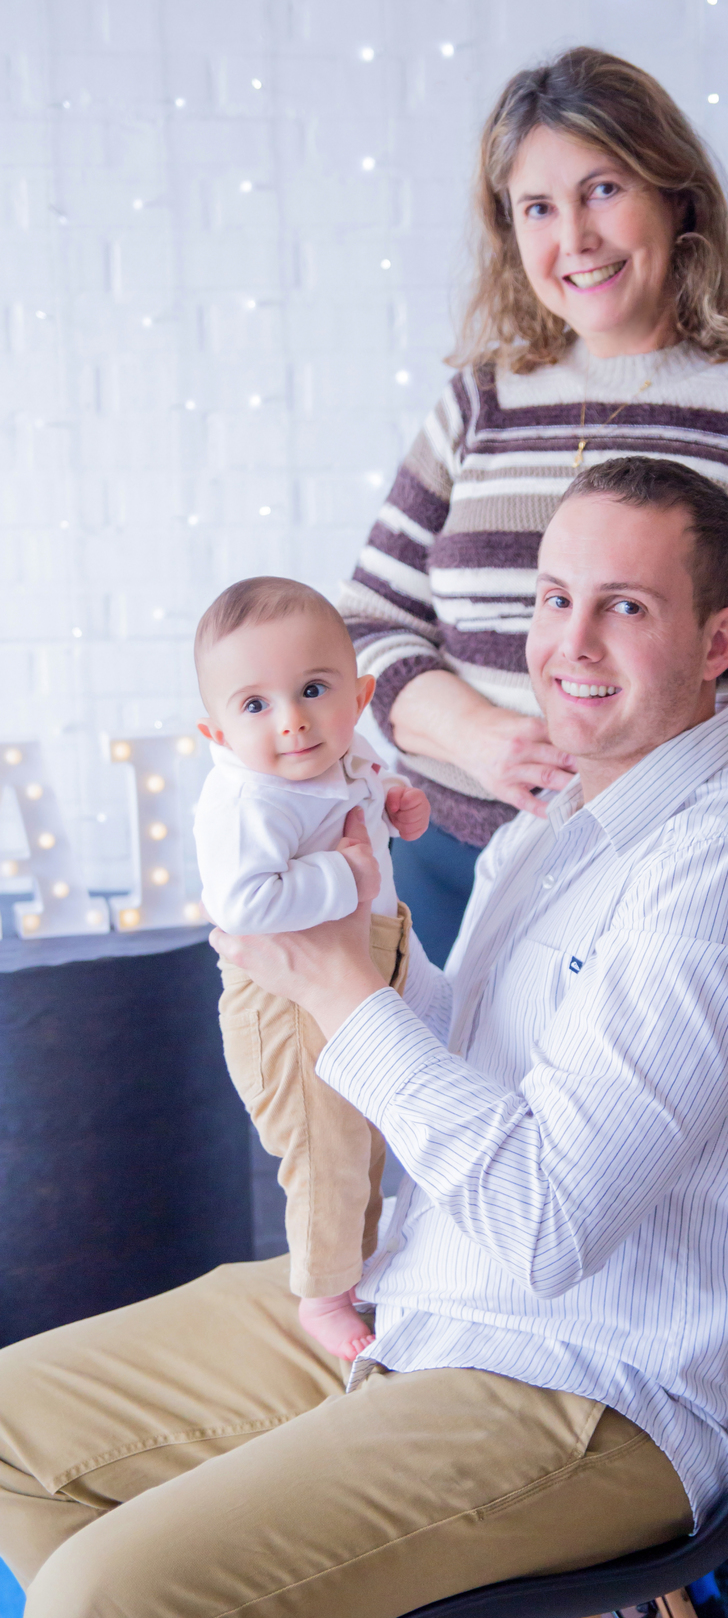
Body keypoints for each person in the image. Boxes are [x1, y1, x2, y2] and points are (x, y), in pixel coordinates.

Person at [0, 459, 728, 1618]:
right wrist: (367, 947)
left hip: (582, 1389)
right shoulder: (549, 830)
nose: (571, 642)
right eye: (554, 598)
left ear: (719, 641)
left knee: (104, 1602)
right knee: (13, 1431)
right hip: (417, 1302)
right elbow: (467, 1057)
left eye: (624, 605)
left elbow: (546, 1225)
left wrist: (338, 983)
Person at [338, 44, 728, 1618]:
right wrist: (479, 739)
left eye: (601, 189)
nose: (572, 237)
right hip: (474, 872)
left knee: (687, 1283)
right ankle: (503, 1601)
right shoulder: (476, 403)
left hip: (675, 881)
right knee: (478, 1257)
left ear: (673, 194)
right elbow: (371, 626)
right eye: (533, 207)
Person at [193, 576, 430, 1361]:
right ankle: (322, 1293)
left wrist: (395, 800)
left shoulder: (343, 750)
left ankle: (357, 1268)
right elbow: (242, 903)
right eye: (255, 705)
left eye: (313, 690)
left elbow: (363, 789)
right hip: (283, 1003)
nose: (292, 720)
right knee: (325, 1148)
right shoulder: (248, 803)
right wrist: (345, 877)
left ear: (359, 697)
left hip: (364, 966)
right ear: (218, 732)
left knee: (366, 1135)